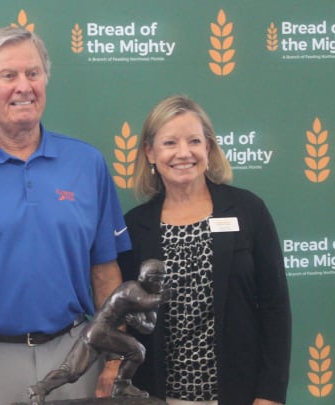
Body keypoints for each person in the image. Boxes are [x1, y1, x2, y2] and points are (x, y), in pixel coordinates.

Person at [0, 26, 131, 404]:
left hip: (77, 356)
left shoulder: (87, 163)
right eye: (8, 75)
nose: (24, 86)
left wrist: (113, 360)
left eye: (33, 73)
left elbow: (105, 273)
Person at [117, 95, 291, 405]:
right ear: (150, 152)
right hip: (157, 394)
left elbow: (275, 309)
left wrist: (270, 394)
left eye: (194, 141)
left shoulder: (248, 211)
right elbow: (127, 319)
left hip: (239, 392)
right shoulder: (135, 227)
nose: (183, 153)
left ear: (208, 148)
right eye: (170, 143)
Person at [28, 259, 172, 405]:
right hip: (101, 329)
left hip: (97, 333)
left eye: (161, 279)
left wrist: (138, 322)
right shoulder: (132, 288)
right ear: (144, 277)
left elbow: (149, 328)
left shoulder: (153, 298)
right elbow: (143, 301)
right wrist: (160, 298)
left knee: (72, 372)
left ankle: (40, 388)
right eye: (156, 279)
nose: (159, 284)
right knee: (137, 351)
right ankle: (121, 385)